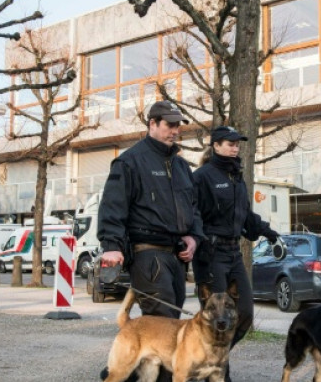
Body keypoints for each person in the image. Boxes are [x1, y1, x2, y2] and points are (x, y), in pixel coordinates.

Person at [98, 101, 204, 382]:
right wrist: (112, 245)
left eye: (178, 125)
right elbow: (113, 206)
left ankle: (122, 373)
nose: (175, 130)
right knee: (166, 330)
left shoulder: (181, 166)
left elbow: (194, 209)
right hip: (147, 255)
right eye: (169, 124)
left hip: (176, 257)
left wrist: (193, 237)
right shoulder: (130, 161)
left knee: (172, 328)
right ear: (152, 124)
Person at [192, 125, 279, 382]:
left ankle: (209, 359)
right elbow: (192, 214)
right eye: (230, 143)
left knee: (244, 314)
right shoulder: (202, 176)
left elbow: (245, 215)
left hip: (234, 253)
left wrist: (266, 231)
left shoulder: (237, 177)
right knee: (218, 316)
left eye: (237, 144)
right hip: (211, 255)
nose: (235, 147)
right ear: (216, 145)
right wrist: (199, 243)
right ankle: (219, 375)